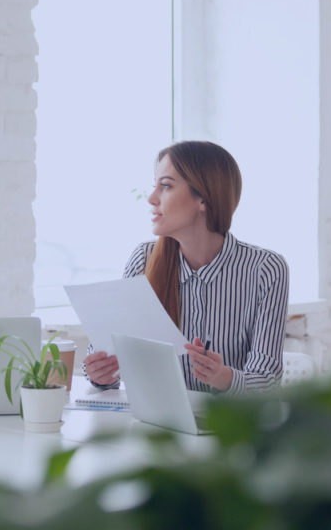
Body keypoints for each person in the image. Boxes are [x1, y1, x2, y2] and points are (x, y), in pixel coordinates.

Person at [84, 141, 288, 394]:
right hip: (156, 426)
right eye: (155, 185)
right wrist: (100, 373)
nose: (151, 198)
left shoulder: (265, 269)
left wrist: (223, 377)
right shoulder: (143, 259)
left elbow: (267, 382)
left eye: (166, 186)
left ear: (204, 198)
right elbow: (111, 357)